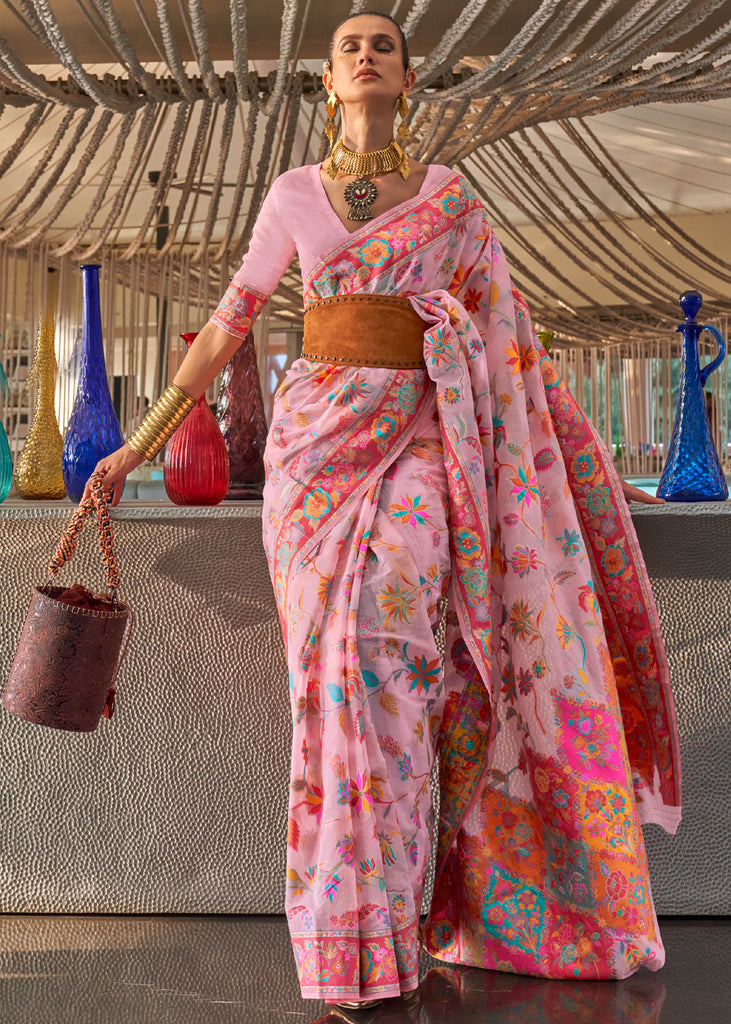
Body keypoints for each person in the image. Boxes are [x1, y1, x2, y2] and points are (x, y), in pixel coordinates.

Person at [86, 9, 680, 1012]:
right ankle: (346, 944)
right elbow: (230, 322)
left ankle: (394, 924)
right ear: (326, 82)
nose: (366, 53)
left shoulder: (451, 202)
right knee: (328, 681)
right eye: (349, 46)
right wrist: (132, 446)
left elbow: (513, 345)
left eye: (384, 47)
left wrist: (572, 459)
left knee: (386, 665)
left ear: (406, 81)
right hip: (313, 457)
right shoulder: (290, 196)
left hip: (420, 444)